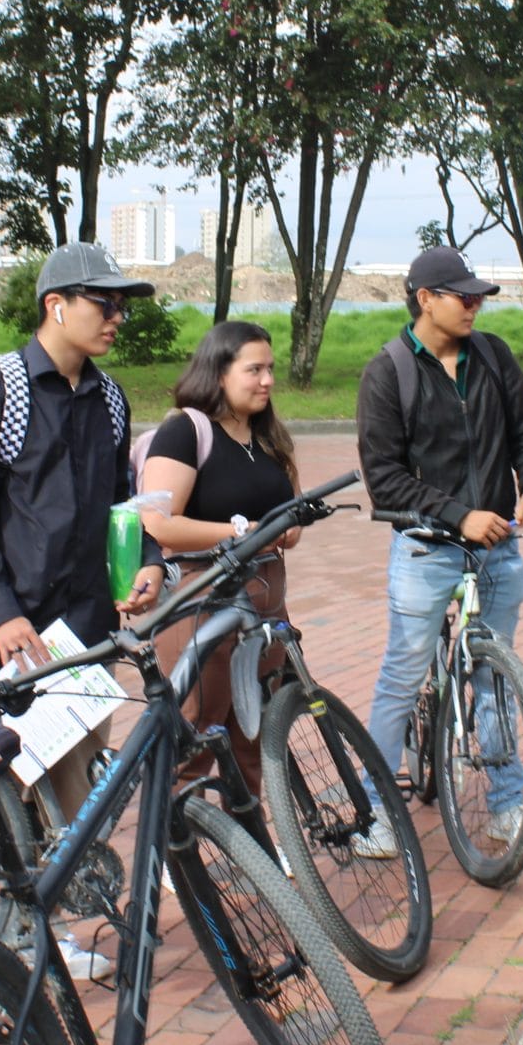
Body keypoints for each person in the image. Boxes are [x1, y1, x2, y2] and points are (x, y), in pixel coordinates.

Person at [0, 241, 166, 982]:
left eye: (123, 305)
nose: (117, 318)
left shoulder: (107, 398)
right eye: (105, 304)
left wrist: (146, 568)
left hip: (81, 632)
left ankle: (51, 929)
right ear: (56, 305)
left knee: (74, 785)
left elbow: (115, 509)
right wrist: (2, 614)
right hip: (9, 632)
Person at [353, 246, 523, 861]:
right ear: (425, 300)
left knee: (493, 674)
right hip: (427, 548)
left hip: (497, 550)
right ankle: (377, 810)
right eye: (461, 296)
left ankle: (506, 802)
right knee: (402, 675)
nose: (474, 306)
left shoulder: (493, 357)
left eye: (478, 297)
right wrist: (456, 513)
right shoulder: (388, 371)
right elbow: (384, 478)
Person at [137, 320, 304, 790]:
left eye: (271, 369)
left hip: (266, 607)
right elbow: (159, 522)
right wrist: (241, 531)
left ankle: (255, 851)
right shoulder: (186, 431)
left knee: (257, 739)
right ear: (219, 374)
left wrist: (283, 532)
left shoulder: (270, 437)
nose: (268, 380)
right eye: (255, 370)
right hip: (203, 603)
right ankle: (169, 853)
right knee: (196, 737)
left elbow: (290, 517)